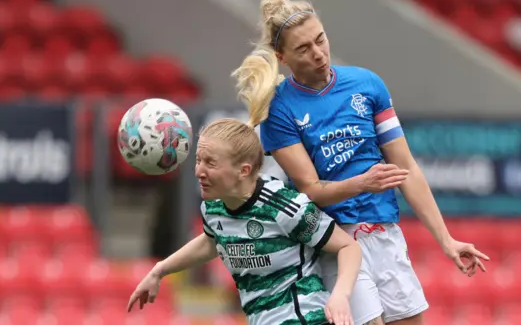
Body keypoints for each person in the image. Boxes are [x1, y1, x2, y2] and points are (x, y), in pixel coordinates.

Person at [232, 0, 490, 325]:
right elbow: (309, 188)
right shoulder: (279, 109)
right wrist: (360, 184)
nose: (319, 54)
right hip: (336, 241)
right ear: (282, 57)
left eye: (320, 40)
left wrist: (446, 239)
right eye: (303, 49)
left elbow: (406, 168)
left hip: (385, 234)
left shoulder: (367, 84)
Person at [127, 118, 363, 325]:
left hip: (304, 318)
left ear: (244, 170)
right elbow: (213, 241)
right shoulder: (214, 206)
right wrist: (159, 271)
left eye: (210, 163)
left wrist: (340, 295)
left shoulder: (284, 207)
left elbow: (347, 246)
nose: (199, 171)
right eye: (198, 160)